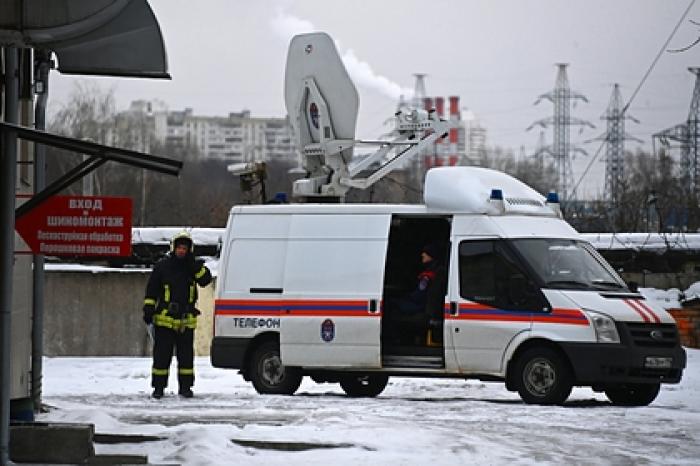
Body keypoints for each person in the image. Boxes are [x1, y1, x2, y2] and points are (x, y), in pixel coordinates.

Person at [143, 231, 212, 399]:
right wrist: (148, 309)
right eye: (179, 247)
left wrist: (196, 267)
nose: (182, 251)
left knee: (186, 358)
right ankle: (158, 388)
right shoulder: (162, 266)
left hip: (186, 320)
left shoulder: (192, 267)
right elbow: (151, 290)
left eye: (185, 248)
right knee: (161, 357)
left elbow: (205, 280)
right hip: (165, 319)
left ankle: (186, 388)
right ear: (173, 248)